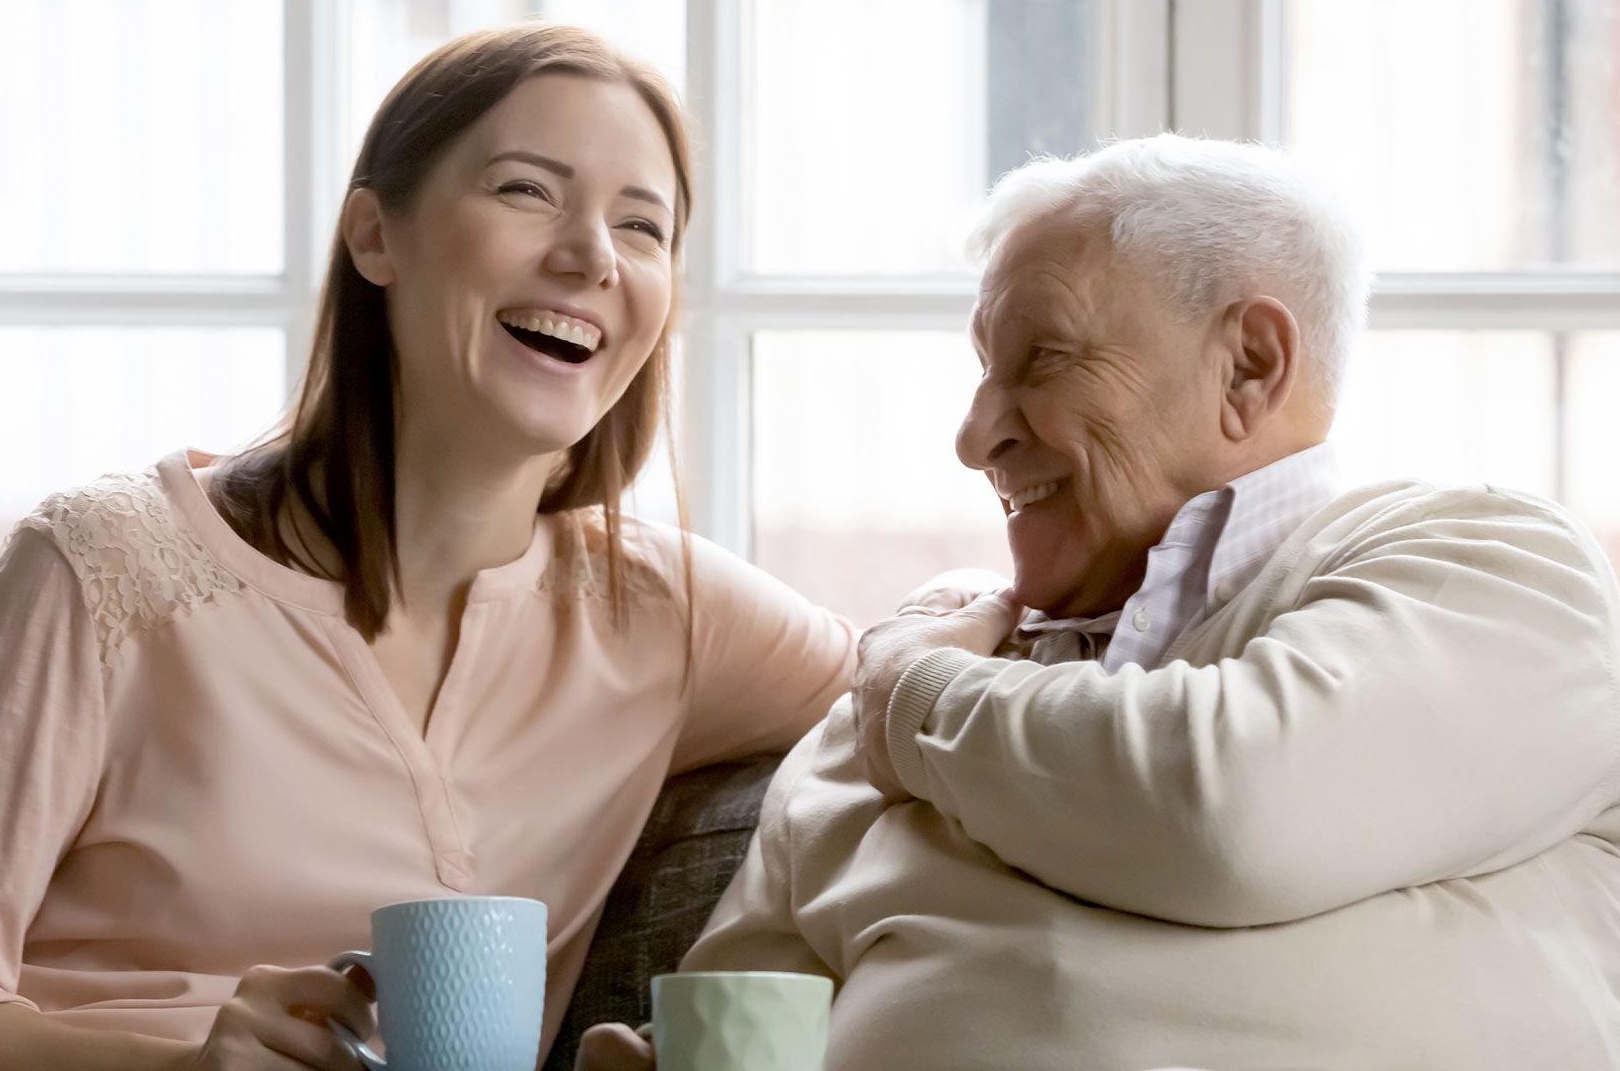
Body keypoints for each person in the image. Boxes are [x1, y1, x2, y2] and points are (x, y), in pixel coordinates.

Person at [0, 24, 857, 1071]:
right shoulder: (101, 569)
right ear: (375, 237)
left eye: (644, 227)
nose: (591, 254)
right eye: (526, 191)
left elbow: (926, 691)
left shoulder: (662, 614)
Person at [578, 135, 1620, 1070]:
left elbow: (1231, 812)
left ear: (1251, 365)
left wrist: (917, 694)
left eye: (1045, 359)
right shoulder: (909, 683)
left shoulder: (1494, 567)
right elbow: (741, 1006)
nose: (974, 435)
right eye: (986, 371)